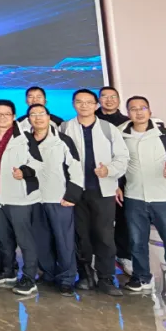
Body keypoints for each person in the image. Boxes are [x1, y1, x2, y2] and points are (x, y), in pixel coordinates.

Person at [117, 97, 166, 303]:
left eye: (142, 108)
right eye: (133, 109)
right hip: (134, 196)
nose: (138, 112)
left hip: (163, 198)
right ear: (128, 113)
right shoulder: (121, 135)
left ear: (149, 111)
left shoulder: (165, 135)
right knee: (137, 242)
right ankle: (142, 277)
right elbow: (116, 162)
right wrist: (116, 185)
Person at [60, 89, 128, 296]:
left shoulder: (108, 129)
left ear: (96, 105)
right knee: (81, 236)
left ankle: (106, 278)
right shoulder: (65, 128)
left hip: (103, 191)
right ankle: (85, 275)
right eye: (79, 102)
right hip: (76, 192)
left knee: (104, 236)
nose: (84, 106)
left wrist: (109, 170)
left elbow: (122, 157)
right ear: (73, 104)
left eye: (89, 102)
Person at [0, 99, 44, 296]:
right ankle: (8, 272)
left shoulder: (25, 136)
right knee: (3, 238)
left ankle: (29, 277)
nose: (2, 117)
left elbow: (38, 162)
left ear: (14, 116)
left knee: (25, 239)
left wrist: (24, 171)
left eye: (6, 114)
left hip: (18, 196)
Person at [25, 103, 83, 297]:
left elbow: (76, 168)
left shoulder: (63, 140)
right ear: (29, 119)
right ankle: (48, 273)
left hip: (59, 198)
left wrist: (72, 195)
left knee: (64, 240)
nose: (38, 117)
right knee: (41, 240)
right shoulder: (24, 141)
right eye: (33, 114)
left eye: (41, 113)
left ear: (49, 117)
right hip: (34, 199)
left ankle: (67, 279)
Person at [96, 86, 132, 275]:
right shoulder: (90, 120)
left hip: (123, 180)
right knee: (98, 221)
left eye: (113, 97)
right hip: (96, 179)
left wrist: (119, 182)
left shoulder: (128, 123)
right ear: (98, 100)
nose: (109, 100)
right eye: (104, 96)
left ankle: (124, 255)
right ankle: (97, 258)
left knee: (123, 219)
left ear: (118, 100)